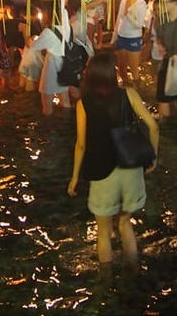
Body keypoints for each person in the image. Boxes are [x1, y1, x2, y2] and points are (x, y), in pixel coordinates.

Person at [67, 51, 159, 266]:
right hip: (130, 167)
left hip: (102, 172)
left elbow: (81, 144)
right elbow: (153, 127)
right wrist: (152, 157)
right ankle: (133, 272)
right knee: (126, 224)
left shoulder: (84, 104)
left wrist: (74, 177)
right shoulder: (129, 94)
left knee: (103, 232)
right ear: (112, 73)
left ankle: (106, 283)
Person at [113, 0, 147, 85]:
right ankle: (125, 87)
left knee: (134, 68)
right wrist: (114, 35)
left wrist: (129, 13)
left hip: (133, 37)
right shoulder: (124, 0)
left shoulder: (141, 4)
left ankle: (136, 91)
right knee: (121, 66)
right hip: (121, 36)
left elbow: (139, 24)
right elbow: (119, 18)